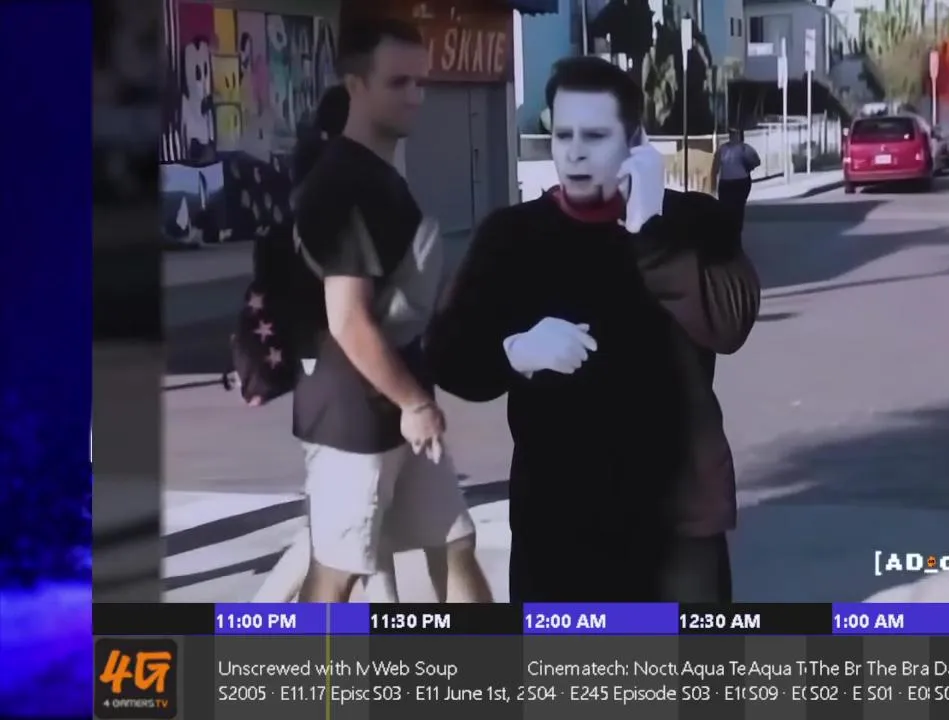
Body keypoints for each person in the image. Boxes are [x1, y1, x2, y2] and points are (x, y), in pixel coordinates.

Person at [428, 56, 761, 602]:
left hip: (679, 523)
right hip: (561, 524)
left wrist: (649, 232)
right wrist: (513, 352)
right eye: (564, 135)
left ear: (636, 141)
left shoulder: (693, 222)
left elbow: (730, 323)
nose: (575, 152)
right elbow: (449, 357)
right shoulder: (513, 236)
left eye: (596, 136)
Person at [290, 19, 491, 603]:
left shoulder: (380, 176)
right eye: (398, 82)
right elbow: (347, 318)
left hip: (401, 406)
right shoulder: (341, 184)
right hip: (352, 418)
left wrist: (413, 402)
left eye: (421, 82)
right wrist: (415, 403)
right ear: (355, 85)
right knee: (337, 572)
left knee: (454, 542)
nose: (416, 96)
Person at [712, 128, 759, 239]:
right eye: (731, 134)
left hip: (741, 182)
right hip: (726, 183)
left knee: (738, 208)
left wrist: (749, 165)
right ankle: (728, 233)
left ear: (740, 135)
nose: (732, 136)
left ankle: (736, 234)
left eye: (735, 134)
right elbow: (715, 168)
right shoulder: (722, 149)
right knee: (725, 209)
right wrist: (713, 184)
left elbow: (757, 161)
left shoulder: (745, 148)